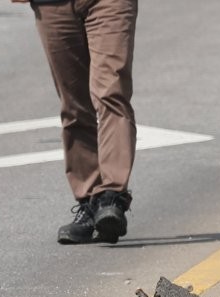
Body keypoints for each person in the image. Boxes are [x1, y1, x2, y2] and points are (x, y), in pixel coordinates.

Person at [14, 0, 138, 245]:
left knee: (111, 94)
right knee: (74, 105)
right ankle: (90, 203)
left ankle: (111, 196)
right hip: (52, 5)